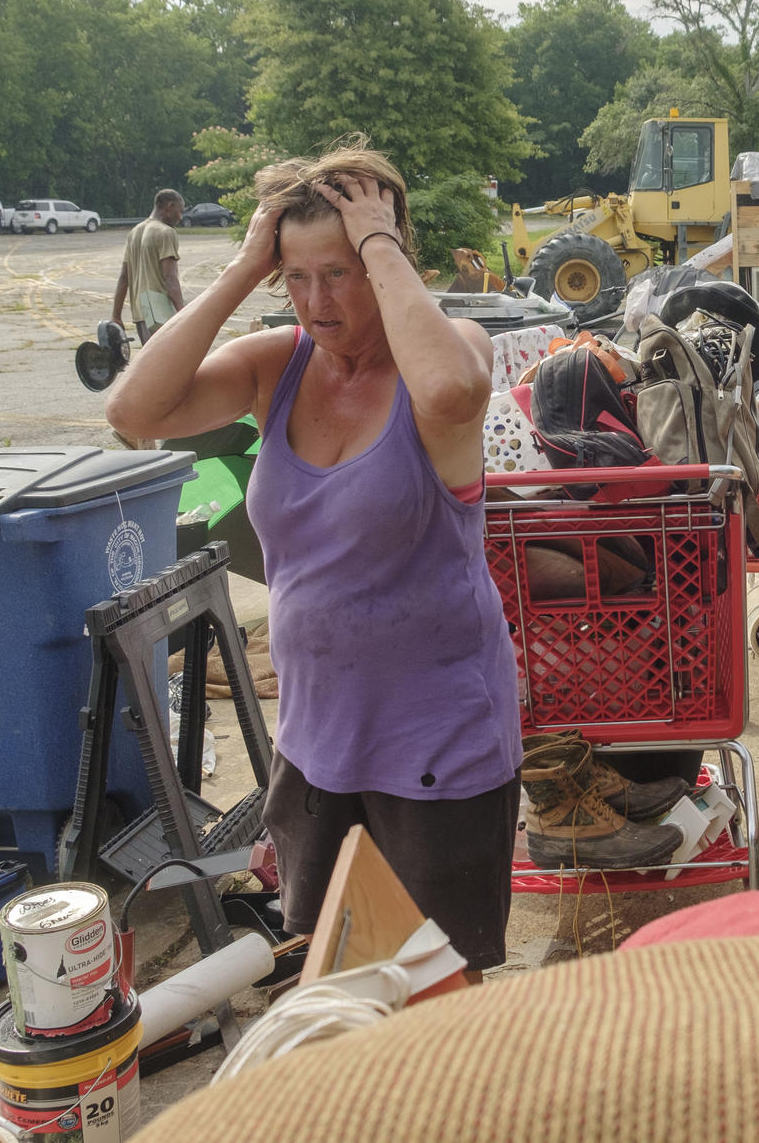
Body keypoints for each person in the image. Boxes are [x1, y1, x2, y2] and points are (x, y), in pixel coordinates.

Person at [103, 138, 522, 976]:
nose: (316, 300)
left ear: (387, 257)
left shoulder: (450, 351)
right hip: (315, 736)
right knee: (329, 970)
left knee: (434, 987)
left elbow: (448, 394)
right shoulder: (278, 367)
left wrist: (381, 241)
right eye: (296, 277)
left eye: (339, 272)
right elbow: (133, 410)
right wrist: (242, 268)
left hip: (437, 743)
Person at [112, 189, 187, 342]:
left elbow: (124, 277)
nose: (180, 217)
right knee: (169, 363)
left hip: (141, 312)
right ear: (169, 206)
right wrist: (183, 313)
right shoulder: (166, 232)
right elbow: (170, 277)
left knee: (153, 362)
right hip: (160, 312)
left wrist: (116, 315)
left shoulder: (134, 232)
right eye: (180, 211)